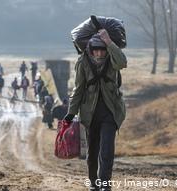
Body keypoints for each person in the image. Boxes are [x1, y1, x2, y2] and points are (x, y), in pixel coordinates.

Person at [64, 30, 127, 191]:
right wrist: (70, 114)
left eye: (102, 49)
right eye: (96, 49)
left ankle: (105, 183)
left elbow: (122, 63)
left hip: (110, 112)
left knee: (106, 150)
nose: (99, 53)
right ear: (90, 50)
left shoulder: (113, 58)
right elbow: (78, 89)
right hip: (89, 114)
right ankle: (93, 182)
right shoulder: (83, 62)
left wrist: (109, 43)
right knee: (92, 152)